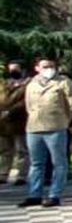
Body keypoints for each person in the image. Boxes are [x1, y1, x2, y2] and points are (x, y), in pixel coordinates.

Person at [18, 56, 72, 209]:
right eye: (45, 66)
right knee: (36, 163)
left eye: (51, 66)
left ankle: (54, 195)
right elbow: (28, 105)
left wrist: (64, 120)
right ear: (37, 68)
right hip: (34, 128)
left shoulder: (64, 82)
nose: (49, 69)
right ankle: (35, 194)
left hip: (56, 127)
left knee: (59, 163)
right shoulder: (31, 84)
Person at [0, 59, 28, 188]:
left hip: (19, 122)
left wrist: (10, 111)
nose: (12, 71)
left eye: (15, 68)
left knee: (21, 150)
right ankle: (3, 174)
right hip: (3, 123)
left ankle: (22, 175)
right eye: (10, 69)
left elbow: (25, 102)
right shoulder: (4, 84)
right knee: (5, 150)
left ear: (22, 69)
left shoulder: (27, 84)